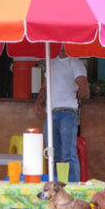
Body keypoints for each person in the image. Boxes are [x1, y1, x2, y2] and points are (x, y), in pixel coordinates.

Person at [33, 47, 90, 182]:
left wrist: (75, 95)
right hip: (51, 112)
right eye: (60, 44)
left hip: (68, 111)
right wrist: (38, 102)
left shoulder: (76, 63)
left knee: (68, 153)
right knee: (52, 153)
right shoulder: (51, 62)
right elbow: (45, 87)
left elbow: (84, 89)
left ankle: (72, 187)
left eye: (65, 45)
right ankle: (56, 185)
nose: (63, 48)